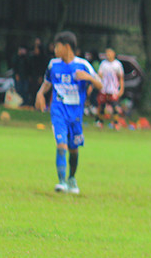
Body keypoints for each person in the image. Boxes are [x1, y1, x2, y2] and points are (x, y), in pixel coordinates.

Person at [34, 31, 103, 194]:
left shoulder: (83, 65)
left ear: (66, 47)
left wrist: (88, 77)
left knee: (73, 149)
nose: (54, 49)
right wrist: (40, 93)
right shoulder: (53, 64)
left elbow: (100, 85)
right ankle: (62, 182)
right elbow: (47, 83)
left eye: (57, 46)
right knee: (61, 145)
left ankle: (72, 179)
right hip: (58, 112)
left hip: (76, 115)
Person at [94, 48, 125, 128]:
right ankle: (100, 122)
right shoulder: (103, 64)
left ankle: (116, 123)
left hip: (113, 90)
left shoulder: (117, 64)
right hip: (104, 89)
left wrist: (121, 89)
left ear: (113, 54)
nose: (108, 55)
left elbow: (121, 78)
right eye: (107, 53)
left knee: (115, 107)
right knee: (101, 107)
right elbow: (99, 75)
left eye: (110, 53)